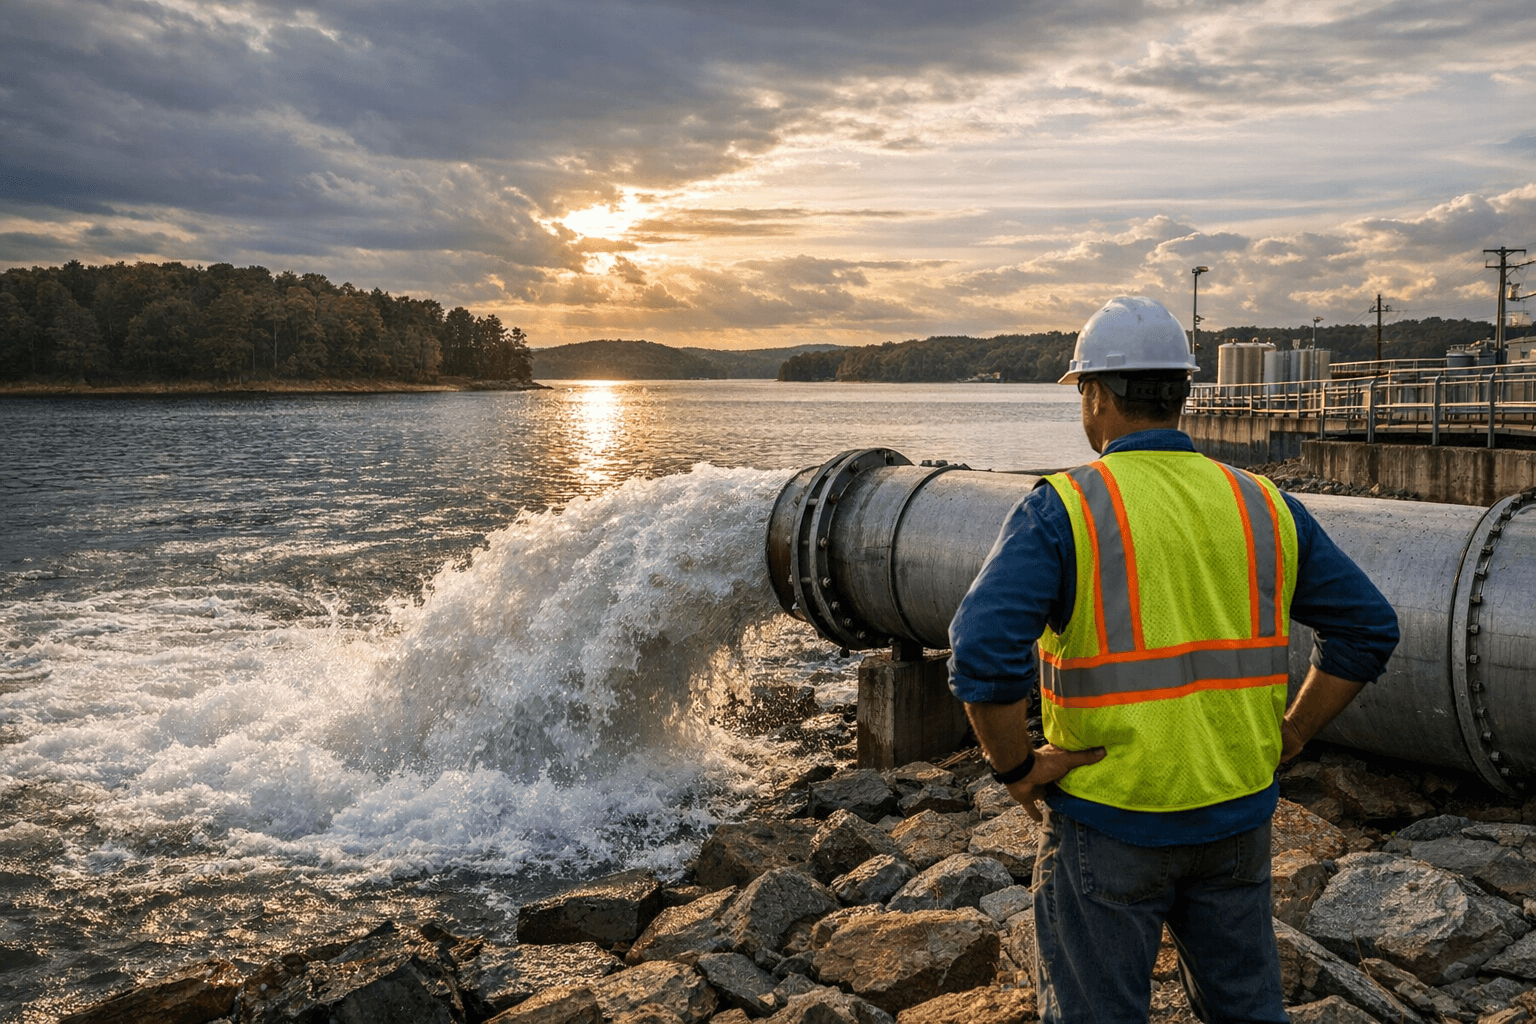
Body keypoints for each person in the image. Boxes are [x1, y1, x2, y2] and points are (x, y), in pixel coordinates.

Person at [947, 295, 1399, 1024]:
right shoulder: (1263, 503)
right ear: (1182, 393)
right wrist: (1294, 731)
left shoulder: (1064, 507)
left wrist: (1017, 769)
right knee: (1246, 1009)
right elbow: (1368, 630)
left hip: (1110, 817)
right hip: (1237, 817)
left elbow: (980, 652)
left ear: (1094, 394)